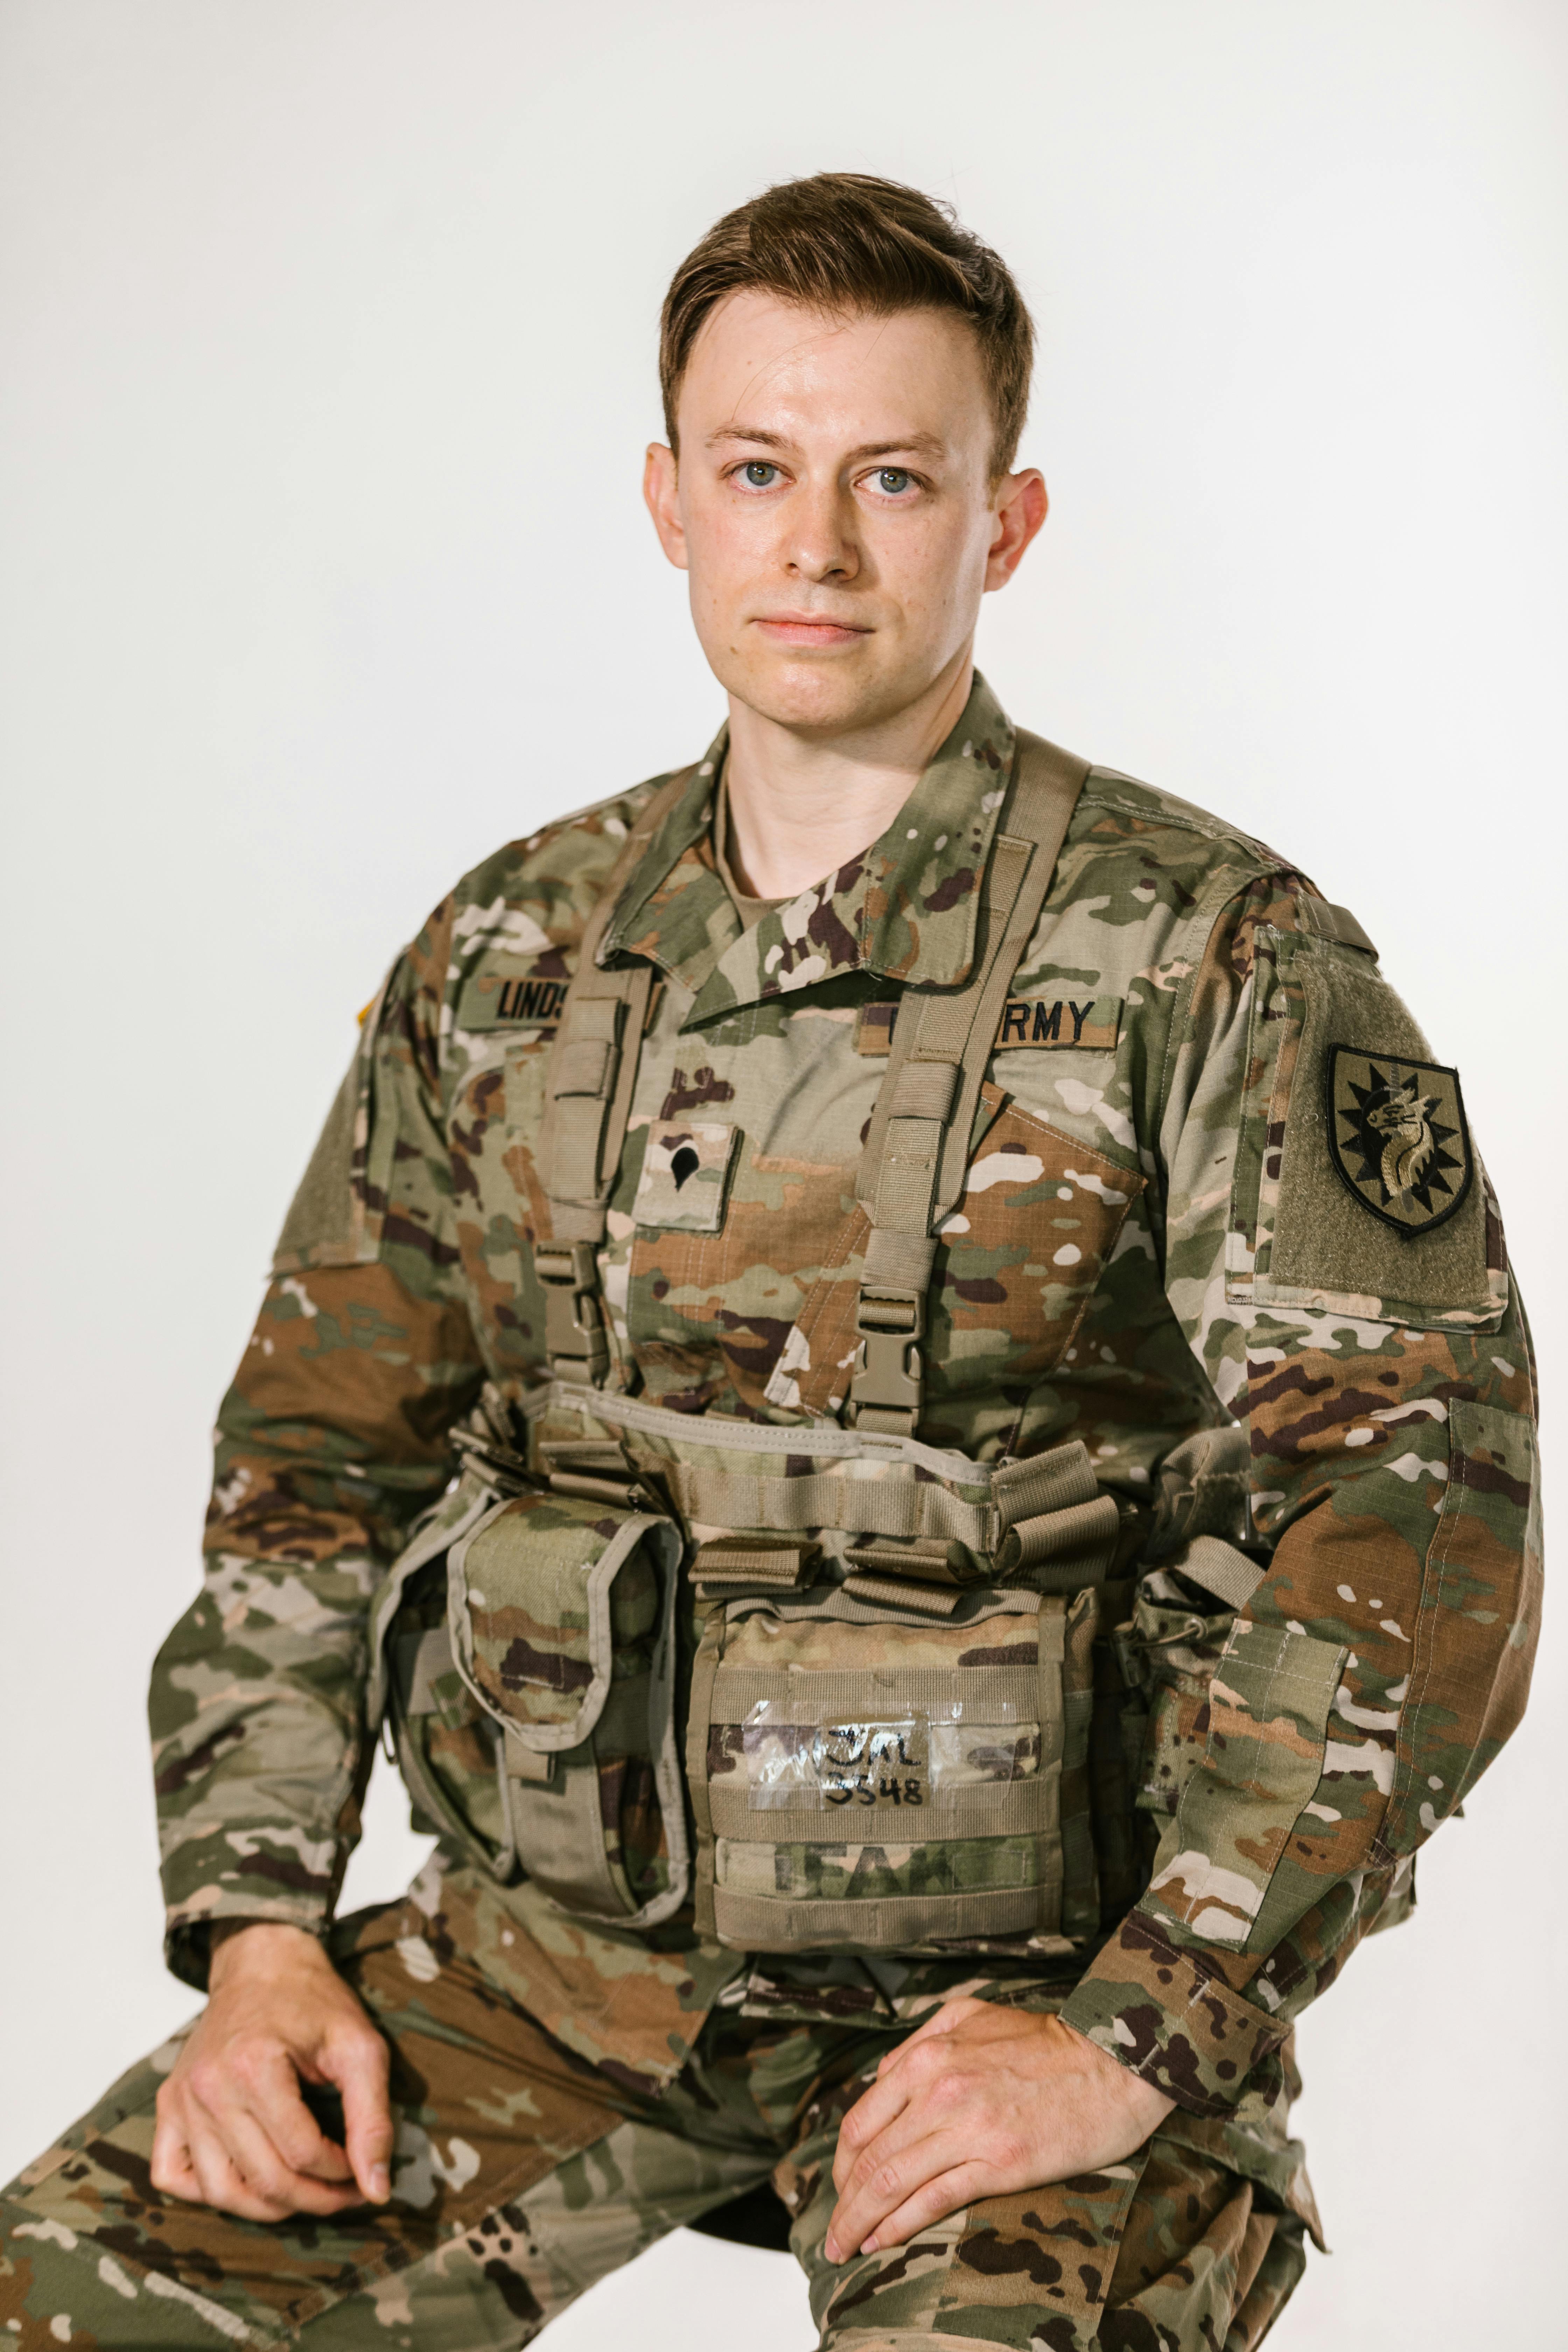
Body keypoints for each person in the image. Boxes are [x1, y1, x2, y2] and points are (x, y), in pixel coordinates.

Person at [0, 173, 1541, 2352]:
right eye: (758, 471)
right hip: (548, 1970)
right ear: (670, 501)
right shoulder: (514, 953)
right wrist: (257, 1937)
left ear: (1001, 524)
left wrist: (1141, 2036)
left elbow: (1419, 1522)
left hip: (1019, 2005)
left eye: (892, 478)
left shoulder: (1212, 958)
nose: (814, 548)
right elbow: (314, 1465)